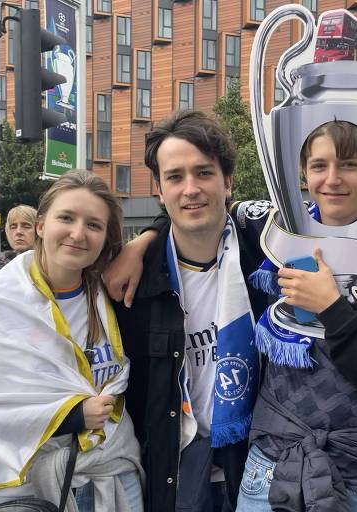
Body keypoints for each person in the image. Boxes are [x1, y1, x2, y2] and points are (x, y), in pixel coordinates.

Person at [236, 121, 357, 512]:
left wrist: (332, 308)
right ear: (304, 174)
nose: (333, 179)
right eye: (319, 166)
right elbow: (201, 211)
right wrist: (147, 240)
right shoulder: (276, 228)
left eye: (348, 165)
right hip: (273, 461)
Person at [0, 170, 144, 511]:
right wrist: (70, 417)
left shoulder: (111, 291)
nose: (78, 233)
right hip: (29, 483)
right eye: (66, 218)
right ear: (41, 225)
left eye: (93, 225)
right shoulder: (0, 302)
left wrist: (146, 238)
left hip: (114, 472)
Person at [107, 111, 270, 512]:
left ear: (228, 181)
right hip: (176, 473)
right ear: (159, 191)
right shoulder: (135, 285)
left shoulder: (266, 260)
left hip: (259, 468)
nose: (191, 189)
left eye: (204, 173)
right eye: (175, 177)